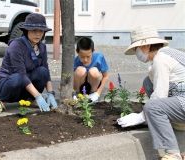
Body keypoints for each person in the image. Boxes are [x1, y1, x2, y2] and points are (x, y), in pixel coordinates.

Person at [117, 26, 185, 160]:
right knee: (148, 82)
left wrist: (141, 116)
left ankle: (173, 154)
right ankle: (180, 123)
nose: (136, 53)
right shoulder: (169, 53)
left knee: (152, 108)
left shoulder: (161, 60)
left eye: (136, 49)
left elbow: (160, 96)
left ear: (146, 46)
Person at [0, 13, 57, 112]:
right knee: (18, 77)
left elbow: (46, 71)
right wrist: (38, 96)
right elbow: (21, 74)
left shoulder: (42, 47)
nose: (38, 34)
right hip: (8, 85)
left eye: (41, 31)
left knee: (43, 71)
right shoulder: (16, 45)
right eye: (34, 31)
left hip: (25, 84)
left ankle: (30, 99)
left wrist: (50, 93)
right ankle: (1, 101)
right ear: (26, 31)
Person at [73, 37, 109, 102]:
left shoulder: (99, 58)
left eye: (88, 56)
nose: (85, 60)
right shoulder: (75, 61)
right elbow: (70, 78)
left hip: (93, 85)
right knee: (80, 70)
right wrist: (72, 92)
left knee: (94, 71)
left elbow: (106, 76)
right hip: (80, 86)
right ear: (77, 52)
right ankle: (77, 94)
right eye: (82, 57)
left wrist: (98, 93)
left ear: (93, 51)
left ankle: (92, 95)